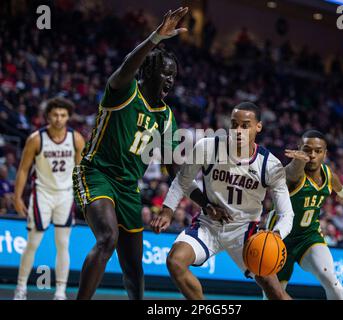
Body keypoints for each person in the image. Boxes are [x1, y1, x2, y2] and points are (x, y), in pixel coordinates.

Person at [72, 7, 189, 300]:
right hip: (96, 173)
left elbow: (174, 168)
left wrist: (198, 201)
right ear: (148, 72)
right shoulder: (122, 91)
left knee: (134, 268)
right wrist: (155, 37)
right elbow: (127, 65)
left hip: (128, 188)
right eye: (166, 73)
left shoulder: (167, 116)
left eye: (174, 76)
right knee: (108, 238)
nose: (171, 80)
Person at [151, 102, 295, 300]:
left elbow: (286, 213)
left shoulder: (270, 165)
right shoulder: (208, 147)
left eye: (245, 125)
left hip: (245, 233)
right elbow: (182, 180)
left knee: (275, 291)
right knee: (175, 261)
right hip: (209, 224)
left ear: (258, 127)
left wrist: (277, 234)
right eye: (234, 124)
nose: (238, 130)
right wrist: (168, 210)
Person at [266, 130, 343, 300]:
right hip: (279, 238)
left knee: (332, 281)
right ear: (299, 149)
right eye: (307, 150)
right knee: (273, 294)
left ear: (325, 154)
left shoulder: (329, 176)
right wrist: (298, 161)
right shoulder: (294, 175)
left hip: (308, 236)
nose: (312, 155)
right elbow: (291, 172)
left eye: (318, 151)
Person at [13, 97, 85, 300]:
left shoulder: (76, 139)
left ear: (68, 117)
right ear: (47, 116)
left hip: (65, 195)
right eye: (55, 114)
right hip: (42, 194)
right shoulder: (36, 138)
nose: (59, 118)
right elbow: (23, 169)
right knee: (32, 243)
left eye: (63, 115)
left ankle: (60, 291)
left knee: (63, 243)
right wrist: (17, 197)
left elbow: (80, 172)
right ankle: (21, 288)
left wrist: (84, 197)